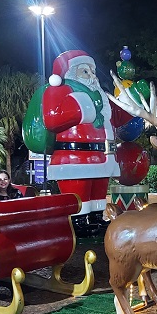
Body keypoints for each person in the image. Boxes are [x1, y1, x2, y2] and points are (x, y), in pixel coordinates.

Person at [41, 50, 134, 234]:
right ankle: (78, 222)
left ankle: (96, 218)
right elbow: (51, 119)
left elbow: (118, 116)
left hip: (102, 156)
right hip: (74, 157)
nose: (92, 76)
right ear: (70, 72)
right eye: (85, 71)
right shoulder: (59, 90)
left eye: (93, 71)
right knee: (79, 191)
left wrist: (135, 97)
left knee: (98, 190)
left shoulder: (100, 95)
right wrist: (84, 107)